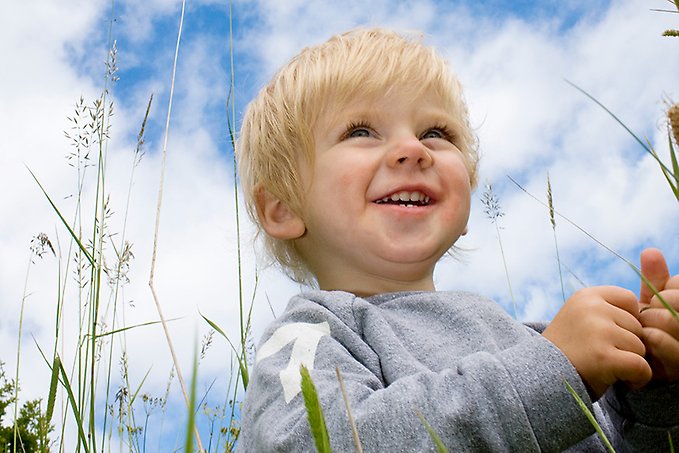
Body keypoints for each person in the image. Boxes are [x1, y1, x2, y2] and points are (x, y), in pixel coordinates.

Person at [235, 28, 679, 451]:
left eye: (436, 133)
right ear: (283, 208)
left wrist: (657, 392)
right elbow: (315, 443)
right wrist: (552, 375)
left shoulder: (531, 340)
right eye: (361, 132)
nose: (414, 149)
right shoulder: (311, 335)